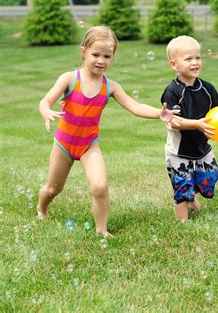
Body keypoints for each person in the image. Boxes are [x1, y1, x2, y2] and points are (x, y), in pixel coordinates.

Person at [37, 25, 178, 236]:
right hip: (64, 144)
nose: (101, 60)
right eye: (95, 54)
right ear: (83, 51)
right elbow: (45, 101)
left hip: (88, 145)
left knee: (100, 186)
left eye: (107, 56)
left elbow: (135, 106)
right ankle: (42, 208)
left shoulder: (110, 86)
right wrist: (46, 110)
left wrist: (159, 113)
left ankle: (101, 230)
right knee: (53, 189)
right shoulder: (69, 78)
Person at [161, 35, 218, 222]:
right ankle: (183, 220)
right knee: (182, 184)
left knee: (210, 176)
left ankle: (192, 197)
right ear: (174, 65)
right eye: (188, 59)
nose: (195, 62)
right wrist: (196, 124)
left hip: (202, 148)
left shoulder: (207, 88)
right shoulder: (172, 91)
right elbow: (173, 121)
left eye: (197, 57)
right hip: (179, 151)